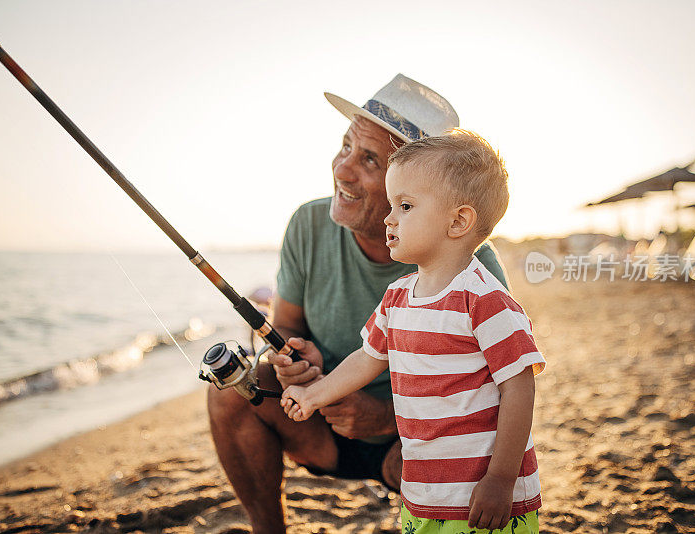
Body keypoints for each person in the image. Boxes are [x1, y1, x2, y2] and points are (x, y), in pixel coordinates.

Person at [206, 74, 510, 534]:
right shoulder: (308, 223)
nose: (342, 169)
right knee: (228, 391)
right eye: (346, 146)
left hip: (419, 446)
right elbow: (284, 325)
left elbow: (500, 393)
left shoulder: (473, 264)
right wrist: (291, 356)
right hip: (318, 424)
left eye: (369, 159)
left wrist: (387, 418)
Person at [281, 130, 545, 533]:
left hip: (482, 492)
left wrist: (501, 479)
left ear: (458, 221)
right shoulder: (397, 296)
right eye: (391, 204)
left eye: (405, 206)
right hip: (424, 490)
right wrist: (312, 395)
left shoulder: (484, 299)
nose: (389, 218)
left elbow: (519, 387)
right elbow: (366, 359)